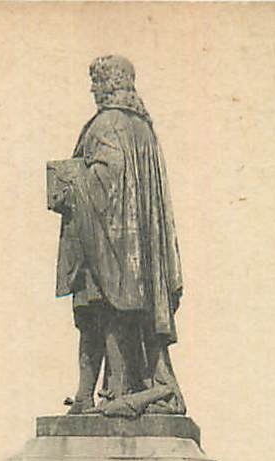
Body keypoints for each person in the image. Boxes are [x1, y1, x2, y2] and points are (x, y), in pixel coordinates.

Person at [50, 55, 186, 417]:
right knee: (102, 318)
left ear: (110, 83)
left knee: (98, 316)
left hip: (105, 245)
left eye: (97, 81)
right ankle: (91, 396)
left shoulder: (106, 124)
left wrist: (68, 181)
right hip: (134, 253)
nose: (93, 89)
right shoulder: (144, 129)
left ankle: (108, 393)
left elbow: (106, 182)